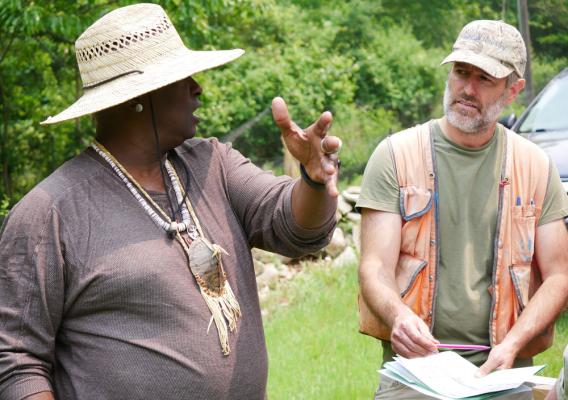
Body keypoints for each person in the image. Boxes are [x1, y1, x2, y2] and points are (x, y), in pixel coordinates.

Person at [0, 3, 341, 400]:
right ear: (138, 99)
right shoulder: (50, 213)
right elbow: (17, 362)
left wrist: (314, 182)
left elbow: (298, 230)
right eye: (181, 80)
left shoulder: (213, 164)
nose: (197, 87)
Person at [356, 19, 568, 398]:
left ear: (513, 90)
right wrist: (399, 317)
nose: (467, 89)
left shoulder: (536, 166)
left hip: (504, 370)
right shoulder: (396, 156)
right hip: (414, 372)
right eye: (460, 72)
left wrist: (513, 345)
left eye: (484, 78)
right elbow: (374, 268)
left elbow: (558, 275)